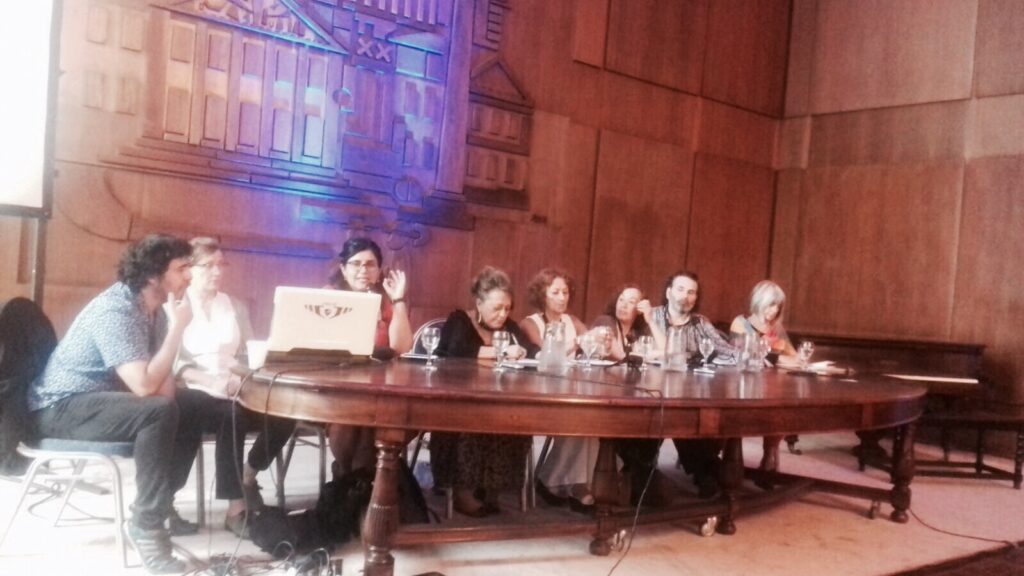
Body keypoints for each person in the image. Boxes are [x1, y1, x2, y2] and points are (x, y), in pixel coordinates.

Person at [26, 234, 202, 574]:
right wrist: (178, 330)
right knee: (159, 412)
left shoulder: (156, 311)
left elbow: (162, 390)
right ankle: (146, 526)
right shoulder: (115, 309)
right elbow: (144, 385)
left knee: (192, 406)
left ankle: (160, 504)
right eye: (182, 268)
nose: (190, 276)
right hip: (60, 407)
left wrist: (171, 329)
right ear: (153, 275)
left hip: (99, 401)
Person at [171, 237, 296, 537]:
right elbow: (175, 363)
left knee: (287, 411)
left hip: (235, 385)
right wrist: (210, 381)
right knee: (232, 416)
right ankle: (235, 508)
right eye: (208, 266)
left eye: (221, 264)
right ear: (189, 269)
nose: (217, 272)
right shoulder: (175, 306)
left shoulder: (234, 306)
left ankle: (249, 474)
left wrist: (244, 375)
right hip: (195, 390)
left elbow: (249, 353)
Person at [432, 266, 538, 517]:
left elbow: (530, 350)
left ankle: (494, 488)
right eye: (497, 308)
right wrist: (502, 352)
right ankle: (463, 490)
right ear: (479, 303)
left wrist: (532, 352)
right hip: (456, 400)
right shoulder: (459, 320)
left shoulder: (509, 327)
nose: (503, 314)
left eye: (507, 308)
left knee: (515, 420)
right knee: (473, 421)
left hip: (497, 396)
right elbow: (458, 351)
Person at [622, 271, 737, 501]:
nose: (686, 296)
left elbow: (730, 353)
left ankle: (705, 474)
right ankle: (642, 476)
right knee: (654, 420)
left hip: (687, 390)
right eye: (681, 289)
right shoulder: (650, 315)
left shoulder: (700, 322)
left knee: (690, 419)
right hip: (648, 389)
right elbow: (631, 347)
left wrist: (704, 358)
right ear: (668, 293)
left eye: (691, 292)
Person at [326, 238, 413, 478]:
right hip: (338, 386)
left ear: (379, 270)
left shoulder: (385, 301)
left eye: (370, 264)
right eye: (356, 264)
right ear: (343, 269)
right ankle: (354, 478)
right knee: (353, 417)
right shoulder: (329, 297)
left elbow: (401, 346)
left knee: (391, 419)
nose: (363, 270)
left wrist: (398, 300)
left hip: (379, 387)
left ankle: (358, 481)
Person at [519, 269, 594, 512]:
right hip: (540, 392)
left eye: (566, 292)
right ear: (543, 295)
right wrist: (578, 342)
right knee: (581, 419)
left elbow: (591, 342)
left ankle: (573, 483)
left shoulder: (573, 321)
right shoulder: (531, 323)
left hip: (570, 389)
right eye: (556, 292)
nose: (562, 298)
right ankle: (562, 482)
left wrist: (597, 340)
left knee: (593, 418)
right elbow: (548, 355)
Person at [730, 280, 798, 474]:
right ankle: (733, 457)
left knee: (781, 405)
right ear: (759, 302)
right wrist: (776, 356)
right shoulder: (741, 322)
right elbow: (748, 354)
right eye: (771, 304)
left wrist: (777, 356)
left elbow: (793, 358)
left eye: (778, 306)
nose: (774, 310)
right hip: (741, 383)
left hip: (770, 384)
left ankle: (770, 452)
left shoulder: (776, 328)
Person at [589, 284, 665, 361]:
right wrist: (647, 356)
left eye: (631, 302)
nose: (623, 305)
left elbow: (667, 351)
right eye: (621, 299)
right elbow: (620, 356)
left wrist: (650, 320)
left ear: (639, 309)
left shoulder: (636, 333)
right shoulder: (605, 321)